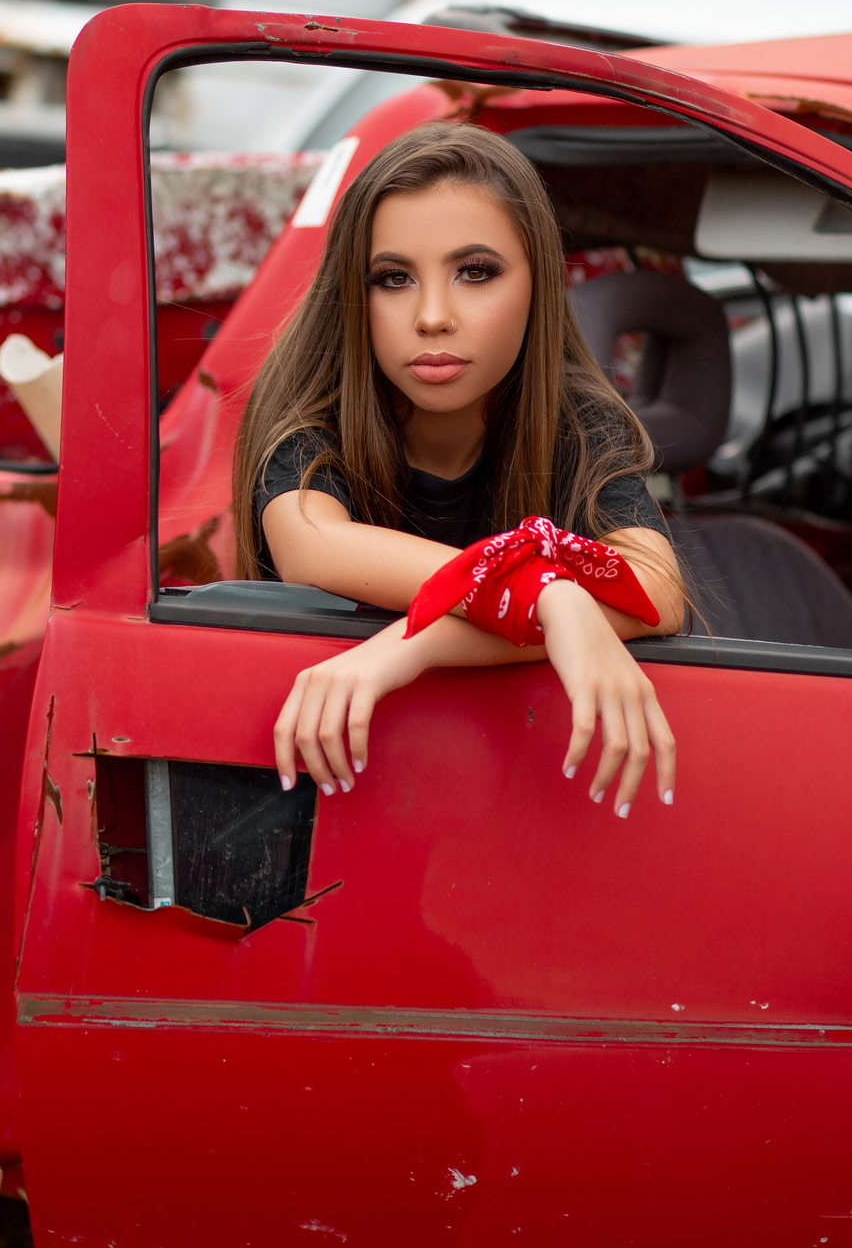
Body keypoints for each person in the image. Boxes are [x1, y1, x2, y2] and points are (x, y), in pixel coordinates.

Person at [234, 122, 684, 818]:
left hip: (523, 803)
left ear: (539, 280)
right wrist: (553, 597)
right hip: (314, 796)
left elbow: (656, 589)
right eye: (393, 279)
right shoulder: (310, 412)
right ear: (355, 294)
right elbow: (310, 546)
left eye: (476, 272)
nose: (433, 317)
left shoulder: (577, 418)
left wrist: (415, 645)